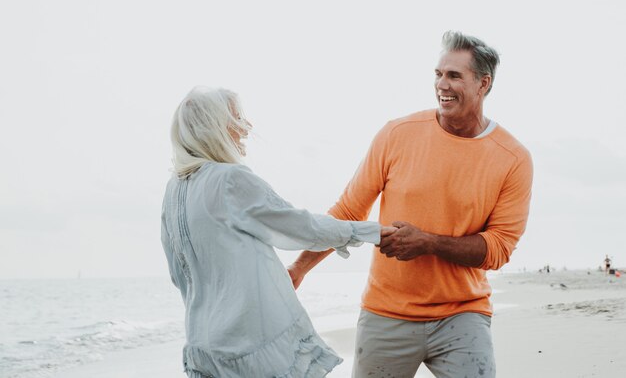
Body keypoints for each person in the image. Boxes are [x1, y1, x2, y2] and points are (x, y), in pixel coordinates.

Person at [288, 31, 533, 378]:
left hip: (462, 314)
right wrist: (299, 269)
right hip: (386, 312)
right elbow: (348, 212)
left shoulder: (513, 158)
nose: (442, 85)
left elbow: (498, 248)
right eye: (438, 74)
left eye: (454, 76)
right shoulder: (397, 134)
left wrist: (428, 242)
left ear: (483, 83)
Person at [160, 86, 396, 378]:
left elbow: (176, 272)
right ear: (215, 127)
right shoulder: (229, 180)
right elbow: (302, 227)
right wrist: (370, 231)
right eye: (237, 118)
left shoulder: (173, 191)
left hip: (200, 348)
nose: (247, 127)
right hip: (247, 346)